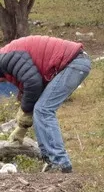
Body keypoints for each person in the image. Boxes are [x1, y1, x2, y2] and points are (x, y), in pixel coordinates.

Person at [0, 36, 91, 173]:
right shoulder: (7, 60)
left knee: (43, 110)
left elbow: (33, 84)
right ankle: (50, 161)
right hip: (72, 63)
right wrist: (22, 126)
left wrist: (25, 111)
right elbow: (30, 87)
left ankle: (60, 163)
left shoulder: (6, 59)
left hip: (73, 62)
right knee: (40, 109)